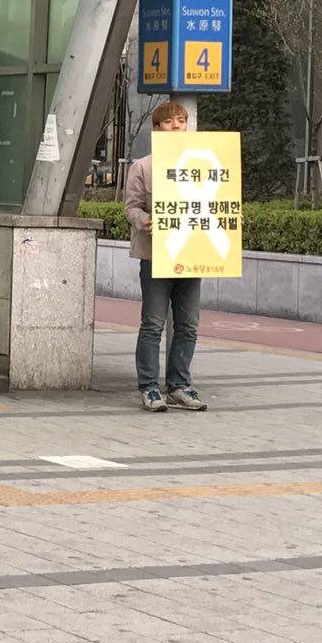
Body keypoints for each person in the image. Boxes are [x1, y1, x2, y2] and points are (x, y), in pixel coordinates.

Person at [124, 101, 207, 413]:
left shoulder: (199, 164)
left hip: (191, 253)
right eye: (170, 122)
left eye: (181, 121)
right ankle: (149, 387)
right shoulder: (143, 167)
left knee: (188, 326)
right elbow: (131, 207)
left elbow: (212, 201)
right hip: (155, 254)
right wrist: (144, 220)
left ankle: (179, 386)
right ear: (156, 129)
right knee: (153, 324)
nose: (177, 127)